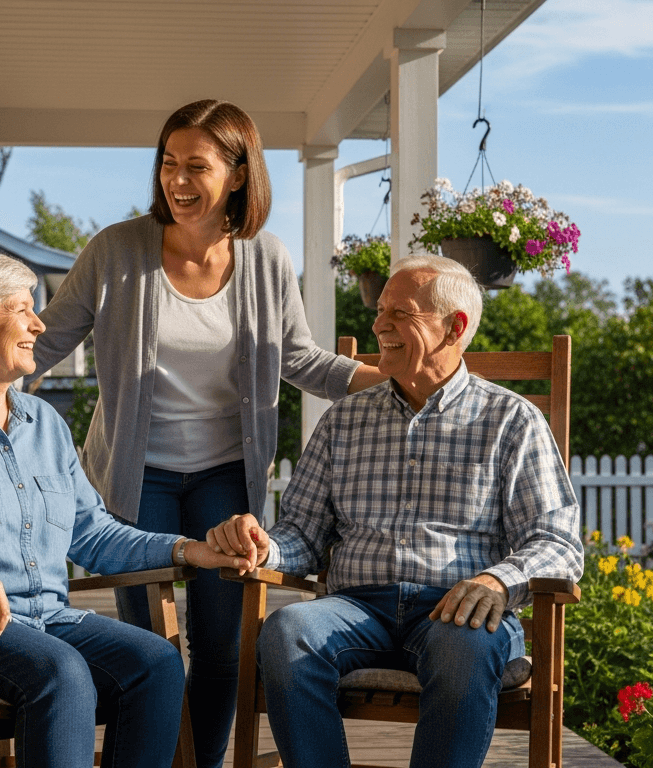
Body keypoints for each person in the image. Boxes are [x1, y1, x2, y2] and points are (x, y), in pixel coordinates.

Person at [25, 99, 387, 767]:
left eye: (197, 166)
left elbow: (300, 358)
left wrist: (393, 377)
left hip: (226, 473)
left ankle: (200, 761)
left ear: (239, 175)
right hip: (137, 476)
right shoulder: (116, 251)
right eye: (168, 164)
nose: (178, 181)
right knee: (156, 646)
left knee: (221, 642)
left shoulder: (266, 260)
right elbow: (43, 342)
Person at [0, 250, 254, 768]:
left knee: (156, 662)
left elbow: (94, 534)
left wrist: (192, 549)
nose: (39, 323)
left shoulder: (44, 422)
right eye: (20, 309)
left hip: (44, 619)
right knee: (61, 672)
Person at [206, 255, 585, 768]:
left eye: (399, 313)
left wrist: (497, 582)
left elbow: (556, 541)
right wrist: (262, 545)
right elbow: (301, 532)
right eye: (379, 310)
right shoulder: (344, 420)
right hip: (357, 608)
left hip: (456, 612)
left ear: (455, 327)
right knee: (288, 630)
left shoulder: (511, 420)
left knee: (463, 644)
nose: (378, 325)